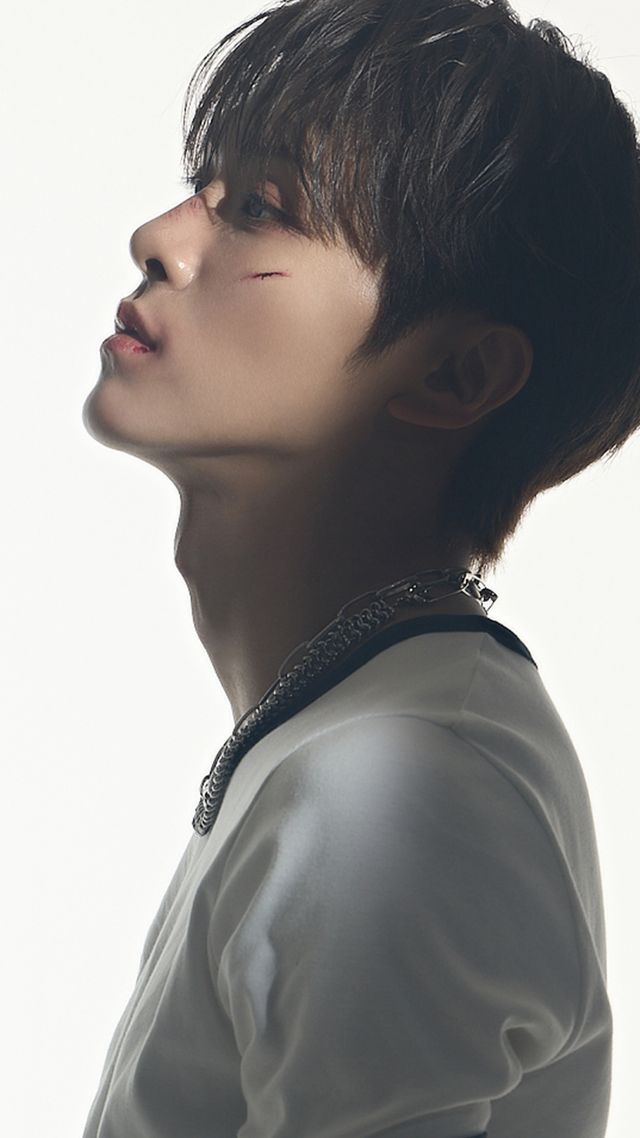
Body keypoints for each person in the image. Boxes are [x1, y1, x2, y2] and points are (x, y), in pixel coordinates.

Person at [80, 1, 640, 1135]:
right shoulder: (357, 729)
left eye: (261, 209)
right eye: (201, 188)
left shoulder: (395, 784)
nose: (159, 237)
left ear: (456, 375)